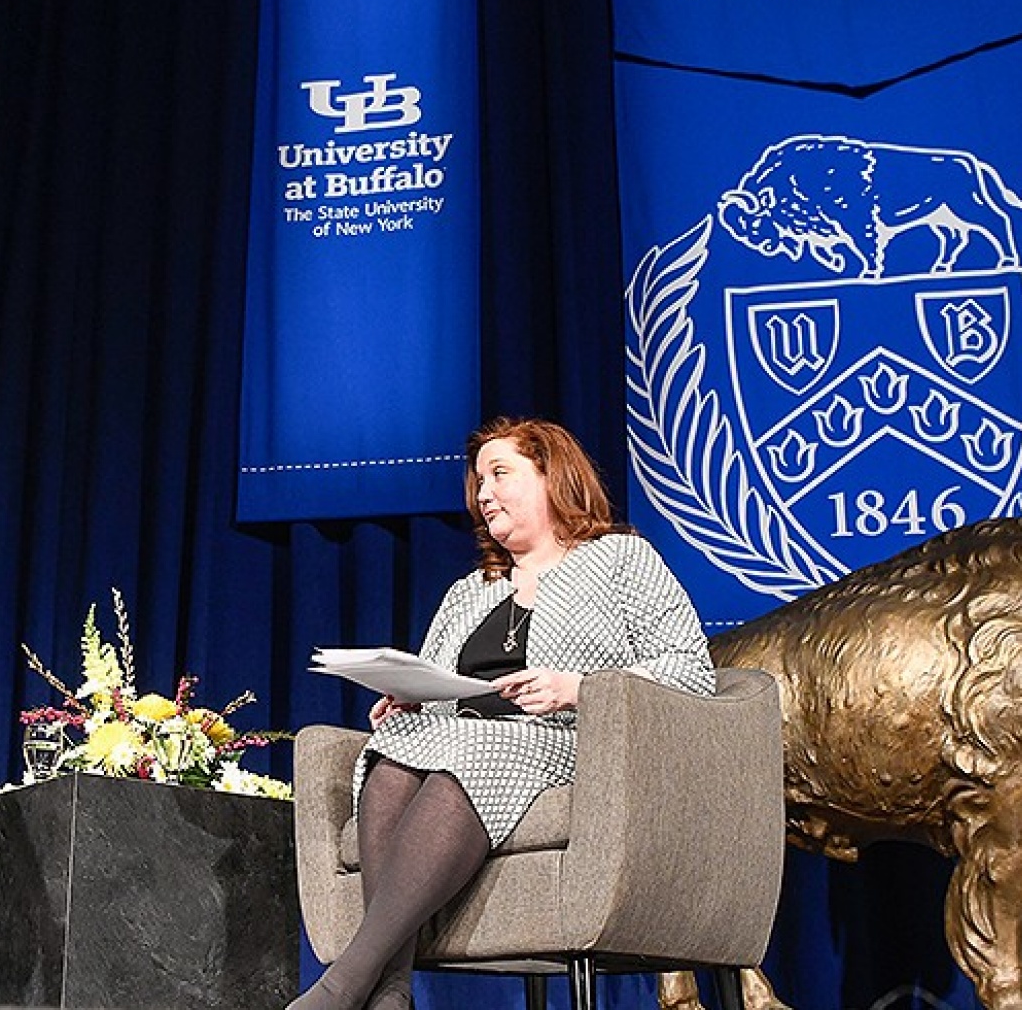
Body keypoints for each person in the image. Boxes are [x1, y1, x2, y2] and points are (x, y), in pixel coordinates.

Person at [290, 417, 716, 1010]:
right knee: (393, 751)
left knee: (476, 746)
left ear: (551, 476)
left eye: (500, 474)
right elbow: (441, 682)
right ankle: (391, 994)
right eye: (478, 483)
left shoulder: (621, 560)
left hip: (565, 742)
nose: (483, 494)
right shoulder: (473, 590)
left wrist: (578, 688)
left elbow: (691, 670)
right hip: (463, 739)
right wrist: (409, 695)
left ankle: (345, 985)